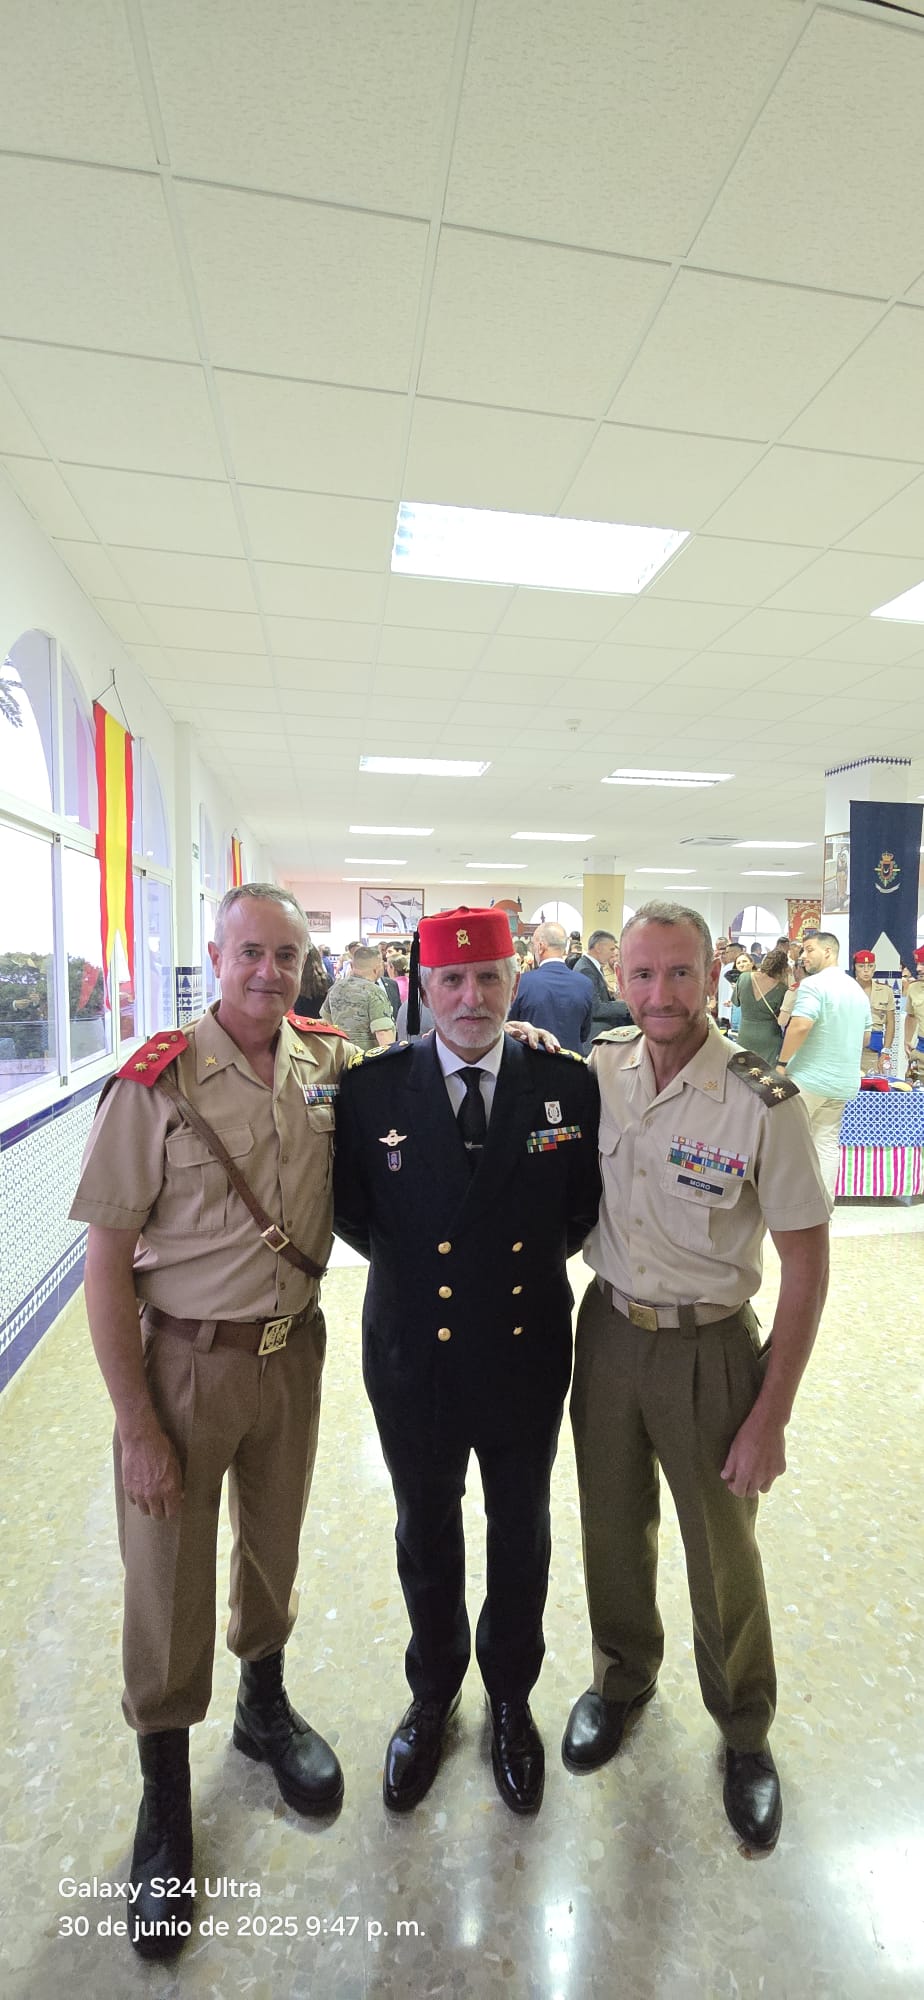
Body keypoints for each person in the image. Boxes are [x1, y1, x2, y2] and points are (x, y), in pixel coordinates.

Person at [69, 885, 355, 1961]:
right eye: (251, 953)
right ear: (216, 955)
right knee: (168, 1574)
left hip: (292, 1355)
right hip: (185, 1362)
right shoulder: (155, 1081)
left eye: (287, 954)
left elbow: (423, 1091)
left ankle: (261, 1706)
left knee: (272, 1546)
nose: (269, 972)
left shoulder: (329, 1064)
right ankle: (164, 1796)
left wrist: (520, 1036)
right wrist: (135, 1425)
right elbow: (107, 1266)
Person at [563, 902, 830, 1851]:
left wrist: (772, 1414)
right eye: (641, 974)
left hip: (711, 1349)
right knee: (610, 1528)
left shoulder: (762, 1101)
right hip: (607, 1334)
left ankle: (745, 1729)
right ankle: (623, 1678)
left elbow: (807, 1264)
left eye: (680, 972)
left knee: (723, 1553)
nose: (660, 993)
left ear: (713, 976)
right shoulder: (599, 1071)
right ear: (618, 980)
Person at [332, 907, 601, 1817]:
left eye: (488, 977)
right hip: (414, 1353)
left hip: (526, 1350)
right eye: (451, 980)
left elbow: (579, 1212)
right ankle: (435, 1690)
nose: (472, 997)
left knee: (520, 1530)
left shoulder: (564, 1084)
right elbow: (356, 1214)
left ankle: (511, 1697)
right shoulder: (373, 1091)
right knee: (425, 1529)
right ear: (425, 988)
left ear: (514, 980)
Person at [775, 931, 871, 1201]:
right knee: (826, 1143)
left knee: (784, 1142)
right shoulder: (856, 989)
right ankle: (822, 1208)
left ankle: (785, 1206)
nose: (803, 956)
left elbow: (801, 1025)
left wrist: (781, 1065)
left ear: (828, 951)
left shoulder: (813, 985)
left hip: (808, 1079)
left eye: (809, 950)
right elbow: (866, 1036)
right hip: (842, 1082)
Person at [507, 921, 593, 1055]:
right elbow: (584, 1033)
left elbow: (511, 1028)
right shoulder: (585, 983)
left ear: (540, 947)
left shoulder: (522, 983)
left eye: (534, 945)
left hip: (532, 1060)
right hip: (572, 1061)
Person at [320, 944, 396, 1050]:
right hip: (366, 1056)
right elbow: (383, 1033)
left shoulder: (336, 988)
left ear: (352, 966)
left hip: (341, 1053)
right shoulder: (375, 992)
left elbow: (325, 1023)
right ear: (377, 969)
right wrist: (393, 1056)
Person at [571, 931, 631, 1051]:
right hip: (594, 1038)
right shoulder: (586, 969)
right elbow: (596, 1008)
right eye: (611, 949)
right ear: (598, 948)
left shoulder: (591, 966)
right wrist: (628, 1005)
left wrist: (613, 997)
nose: (613, 954)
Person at [732, 946, 790, 1066]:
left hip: (745, 1035)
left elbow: (736, 1002)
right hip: (769, 1038)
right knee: (767, 1074)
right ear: (783, 968)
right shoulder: (782, 989)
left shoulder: (744, 978)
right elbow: (782, 1019)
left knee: (744, 1071)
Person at [852, 951, 895, 1076]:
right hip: (849, 1047)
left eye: (870, 966)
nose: (866, 970)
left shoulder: (885, 991)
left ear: (874, 967)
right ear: (855, 968)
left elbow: (890, 1023)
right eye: (861, 966)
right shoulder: (846, 989)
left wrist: (886, 1051)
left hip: (873, 1049)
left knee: (871, 1084)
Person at [904, 945, 924, 1079]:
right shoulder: (914, 988)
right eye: (918, 964)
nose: (918, 969)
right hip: (921, 1052)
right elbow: (911, 1016)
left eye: (923, 964)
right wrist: (907, 1040)